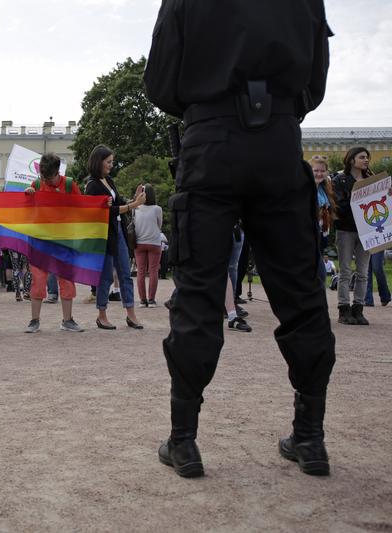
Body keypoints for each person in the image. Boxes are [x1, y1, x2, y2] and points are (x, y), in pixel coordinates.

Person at [145, 0, 336, 478]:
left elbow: (161, 82)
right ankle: (310, 437)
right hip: (278, 139)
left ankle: (184, 441)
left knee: (198, 295)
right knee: (301, 293)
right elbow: (315, 82)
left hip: (211, 141)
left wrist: (209, 100)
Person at [84, 145, 145, 330]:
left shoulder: (108, 180)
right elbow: (104, 212)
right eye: (108, 162)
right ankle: (101, 314)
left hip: (118, 230)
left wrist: (130, 200)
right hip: (104, 234)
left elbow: (117, 202)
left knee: (125, 273)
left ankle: (131, 314)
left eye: (112, 162)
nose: (111, 165)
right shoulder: (92, 185)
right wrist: (133, 205)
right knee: (106, 276)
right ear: (98, 161)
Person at [22, 153, 84, 333]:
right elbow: (26, 212)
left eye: (48, 177)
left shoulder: (71, 185)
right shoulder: (36, 185)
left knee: (66, 279)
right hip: (40, 241)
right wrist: (28, 196)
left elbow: (82, 208)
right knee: (38, 280)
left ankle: (68, 320)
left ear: (58, 171)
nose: (45, 180)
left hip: (64, 241)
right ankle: (34, 320)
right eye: (42, 176)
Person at [333, 147, 373, 325]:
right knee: (346, 271)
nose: (366, 160)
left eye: (367, 157)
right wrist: (358, 200)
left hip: (368, 230)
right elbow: (339, 206)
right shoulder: (340, 180)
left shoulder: (372, 180)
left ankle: (359, 308)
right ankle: (343, 309)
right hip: (346, 230)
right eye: (362, 157)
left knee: (363, 272)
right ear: (351, 160)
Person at [133, 183, 163, 307]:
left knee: (140, 272)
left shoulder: (136, 208)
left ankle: (142, 300)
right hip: (154, 242)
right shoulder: (157, 209)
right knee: (153, 271)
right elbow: (159, 225)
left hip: (139, 243)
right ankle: (151, 300)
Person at [311, 156, 336, 284]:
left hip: (321, 232)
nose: (319, 174)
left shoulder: (324, 189)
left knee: (318, 267)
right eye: (316, 171)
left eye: (322, 171)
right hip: (307, 233)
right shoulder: (305, 188)